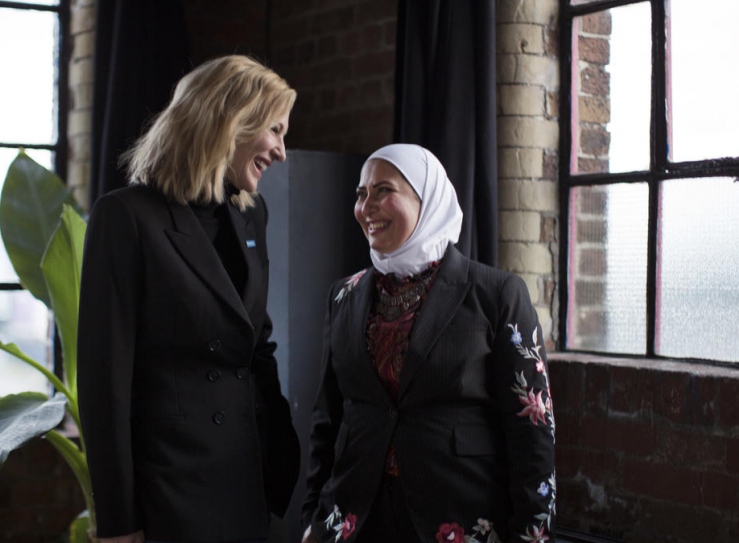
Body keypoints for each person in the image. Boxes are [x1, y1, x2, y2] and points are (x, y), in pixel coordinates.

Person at [77, 55, 300, 543]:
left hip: (245, 480)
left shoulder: (251, 217)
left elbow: (257, 347)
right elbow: (104, 385)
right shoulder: (125, 218)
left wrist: (282, 460)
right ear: (231, 120)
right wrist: (118, 522)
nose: (282, 151)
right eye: (275, 130)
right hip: (170, 493)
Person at [301, 144, 556, 543]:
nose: (367, 206)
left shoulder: (496, 294)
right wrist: (313, 519)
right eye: (360, 193)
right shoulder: (343, 296)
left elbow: (532, 434)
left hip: (460, 520)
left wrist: (532, 536)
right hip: (353, 522)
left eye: (384, 190)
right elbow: (327, 421)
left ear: (429, 199)